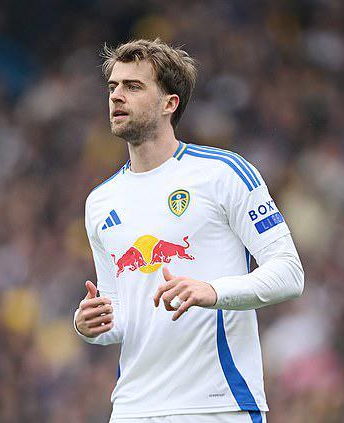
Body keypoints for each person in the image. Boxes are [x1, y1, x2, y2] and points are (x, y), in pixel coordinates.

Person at [73, 39, 304, 423]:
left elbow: (290, 273)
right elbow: (119, 314)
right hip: (133, 408)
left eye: (133, 86)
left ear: (170, 103)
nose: (116, 96)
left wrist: (213, 291)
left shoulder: (223, 174)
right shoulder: (100, 201)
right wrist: (89, 326)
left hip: (218, 404)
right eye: (113, 86)